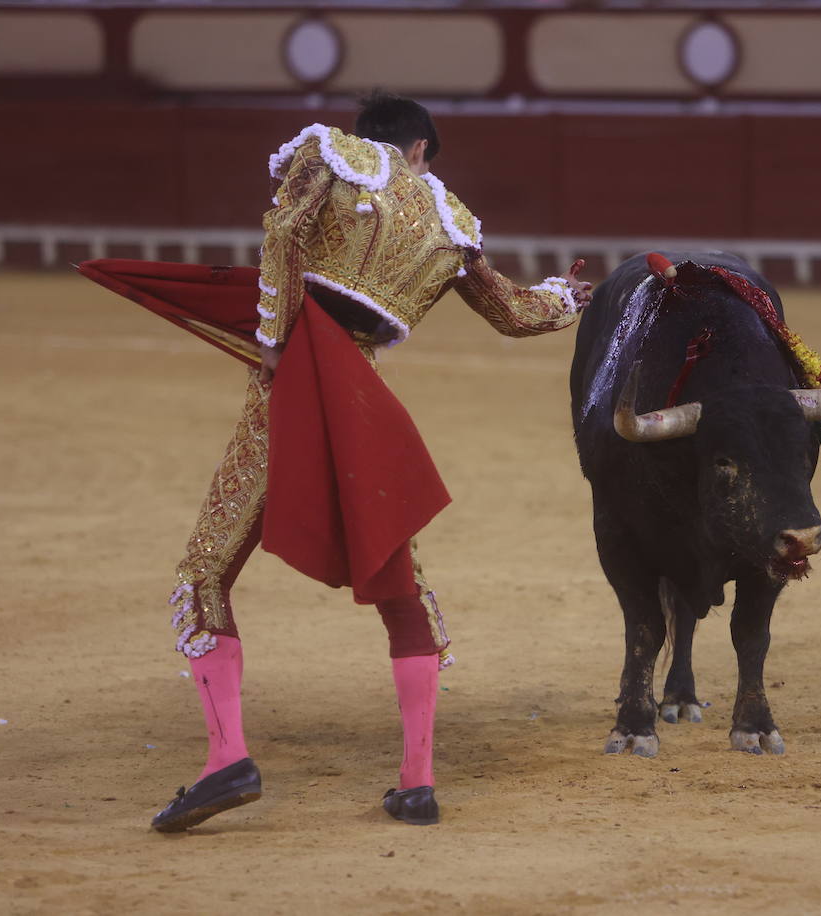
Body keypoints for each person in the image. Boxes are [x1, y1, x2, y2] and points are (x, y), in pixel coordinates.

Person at [142, 91, 591, 832]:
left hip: (294, 384)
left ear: (375, 139)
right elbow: (513, 313)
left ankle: (228, 760)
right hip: (361, 396)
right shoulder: (452, 222)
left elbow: (283, 232)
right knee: (395, 575)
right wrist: (565, 298)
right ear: (421, 149)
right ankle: (417, 782)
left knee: (205, 569)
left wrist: (275, 342)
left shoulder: (330, 155)